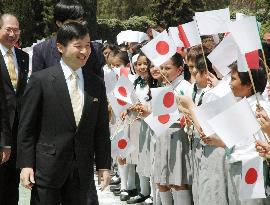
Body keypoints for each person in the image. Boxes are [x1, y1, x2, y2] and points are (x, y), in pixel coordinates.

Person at [17, 22, 111, 205]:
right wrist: (26, 164)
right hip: (47, 170)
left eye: (88, 46)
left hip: (82, 172)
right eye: (78, 46)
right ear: (60, 47)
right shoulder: (40, 80)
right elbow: (27, 126)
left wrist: (104, 165)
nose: (85, 51)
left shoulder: (96, 83)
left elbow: (101, 129)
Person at [32, 0, 104, 78]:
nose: (78, 26)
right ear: (59, 23)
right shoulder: (42, 50)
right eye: (72, 22)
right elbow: (38, 84)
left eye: (80, 21)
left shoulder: (95, 50)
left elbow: (98, 85)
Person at [0, 13, 29, 205]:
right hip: (1, 133)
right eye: (8, 29)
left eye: (16, 30)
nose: (12, 34)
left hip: (18, 134)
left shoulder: (24, 57)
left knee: (12, 186)